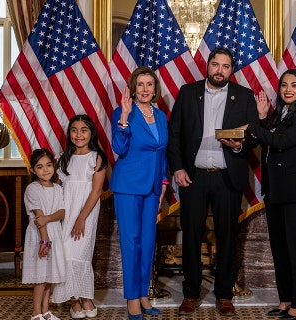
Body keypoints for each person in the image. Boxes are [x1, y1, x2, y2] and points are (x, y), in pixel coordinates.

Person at [167, 47, 259, 317]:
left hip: (227, 177)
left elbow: (253, 135)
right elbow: (174, 135)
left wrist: (239, 146)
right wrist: (178, 168)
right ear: (207, 66)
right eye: (215, 65)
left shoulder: (244, 96)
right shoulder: (187, 92)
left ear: (232, 70)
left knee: (227, 236)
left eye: (226, 66)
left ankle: (224, 294)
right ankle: (191, 293)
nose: (220, 70)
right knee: (191, 236)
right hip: (193, 177)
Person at [242, 69, 296, 320]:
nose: (288, 89)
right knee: (280, 250)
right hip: (275, 192)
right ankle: (285, 299)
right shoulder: (278, 115)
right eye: (284, 85)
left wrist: (253, 125)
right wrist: (263, 119)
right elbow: (268, 139)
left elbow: (282, 142)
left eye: (294, 85)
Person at [109, 66, 167, 320]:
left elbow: (161, 152)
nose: (145, 89)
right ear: (133, 88)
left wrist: (163, 184)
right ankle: (132, 299)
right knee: (131, 243)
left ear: (155, 89)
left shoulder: (161, 115)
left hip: (153, 188)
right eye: (140, 84)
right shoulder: (123, 112)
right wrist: (124, 115)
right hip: (128, 187)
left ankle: (144, 295)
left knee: (147, 243)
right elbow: (119, 148)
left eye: (149, 84)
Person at [52, 114, 108, 319]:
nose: (78, 134)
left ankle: (86, 297)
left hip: (86, 211)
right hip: (66, 212)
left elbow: (96, 191)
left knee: (81, 254)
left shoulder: (96, 157)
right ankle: (74, 299)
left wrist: (81, 218)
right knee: (65, 254)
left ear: (91, 132)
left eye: (83, 130)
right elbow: (60, 186)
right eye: (74, 130)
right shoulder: (64, 157)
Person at [22, 148, 66, 320]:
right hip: (40, 236)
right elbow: (39, 219)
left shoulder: (57, 188)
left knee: (49, 276)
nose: (45, 170)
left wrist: (48, 218)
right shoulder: (33, 189)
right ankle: (36, 313)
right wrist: (45, 242)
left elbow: (62, 212)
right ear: (33, 170)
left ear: (54, 166)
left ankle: (46, 311)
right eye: (40, 167)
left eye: (48, 165)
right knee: (41, 278)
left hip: (55, 232)